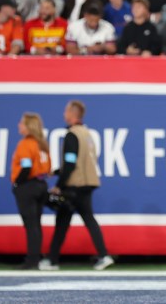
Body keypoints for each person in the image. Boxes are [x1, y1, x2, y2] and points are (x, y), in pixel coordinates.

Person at [40, 100, 114, 271]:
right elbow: (79, 161)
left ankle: (52, 260)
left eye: (66, 111)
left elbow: (71, 162)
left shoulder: (72, 135)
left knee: (65, 221)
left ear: (73, 114)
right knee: (81, 219)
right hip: (89, 181)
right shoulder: (87, 134)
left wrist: (59, 184)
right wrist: (58, 171)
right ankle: (102, 255)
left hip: (75, 185)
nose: (64, 114)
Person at [10, 112, 51, 270]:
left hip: (28, 186)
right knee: (36, 224)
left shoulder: (26, 144)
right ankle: (36, 257)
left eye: (22, 123)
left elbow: (26, 167)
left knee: (31, 225)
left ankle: (32, 260)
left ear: (29, 126)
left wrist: (17, 184)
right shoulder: (42, 144)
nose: (19, 125)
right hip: (41, 185)